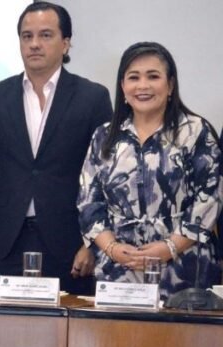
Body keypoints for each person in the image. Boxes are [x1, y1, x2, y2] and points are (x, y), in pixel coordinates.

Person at [0, 1, 112, 294]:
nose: (34, 44)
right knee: (7, 322)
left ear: (65, 43)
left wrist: (93, 243)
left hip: (72, 244)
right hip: (6, 243)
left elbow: (105, 178)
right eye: (27, 36)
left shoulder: (93, 97)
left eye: (45, 35)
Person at [78, 42, 222, 298]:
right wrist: (112, 248)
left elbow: (210, 198)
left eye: (153, 76)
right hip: (118, 270)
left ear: (170, 85)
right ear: (123, 86)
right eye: (134, 77)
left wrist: (169, 248)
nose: (142, 85)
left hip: (185, 269)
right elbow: (89, 203)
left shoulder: (196, 132)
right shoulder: (105, 136)